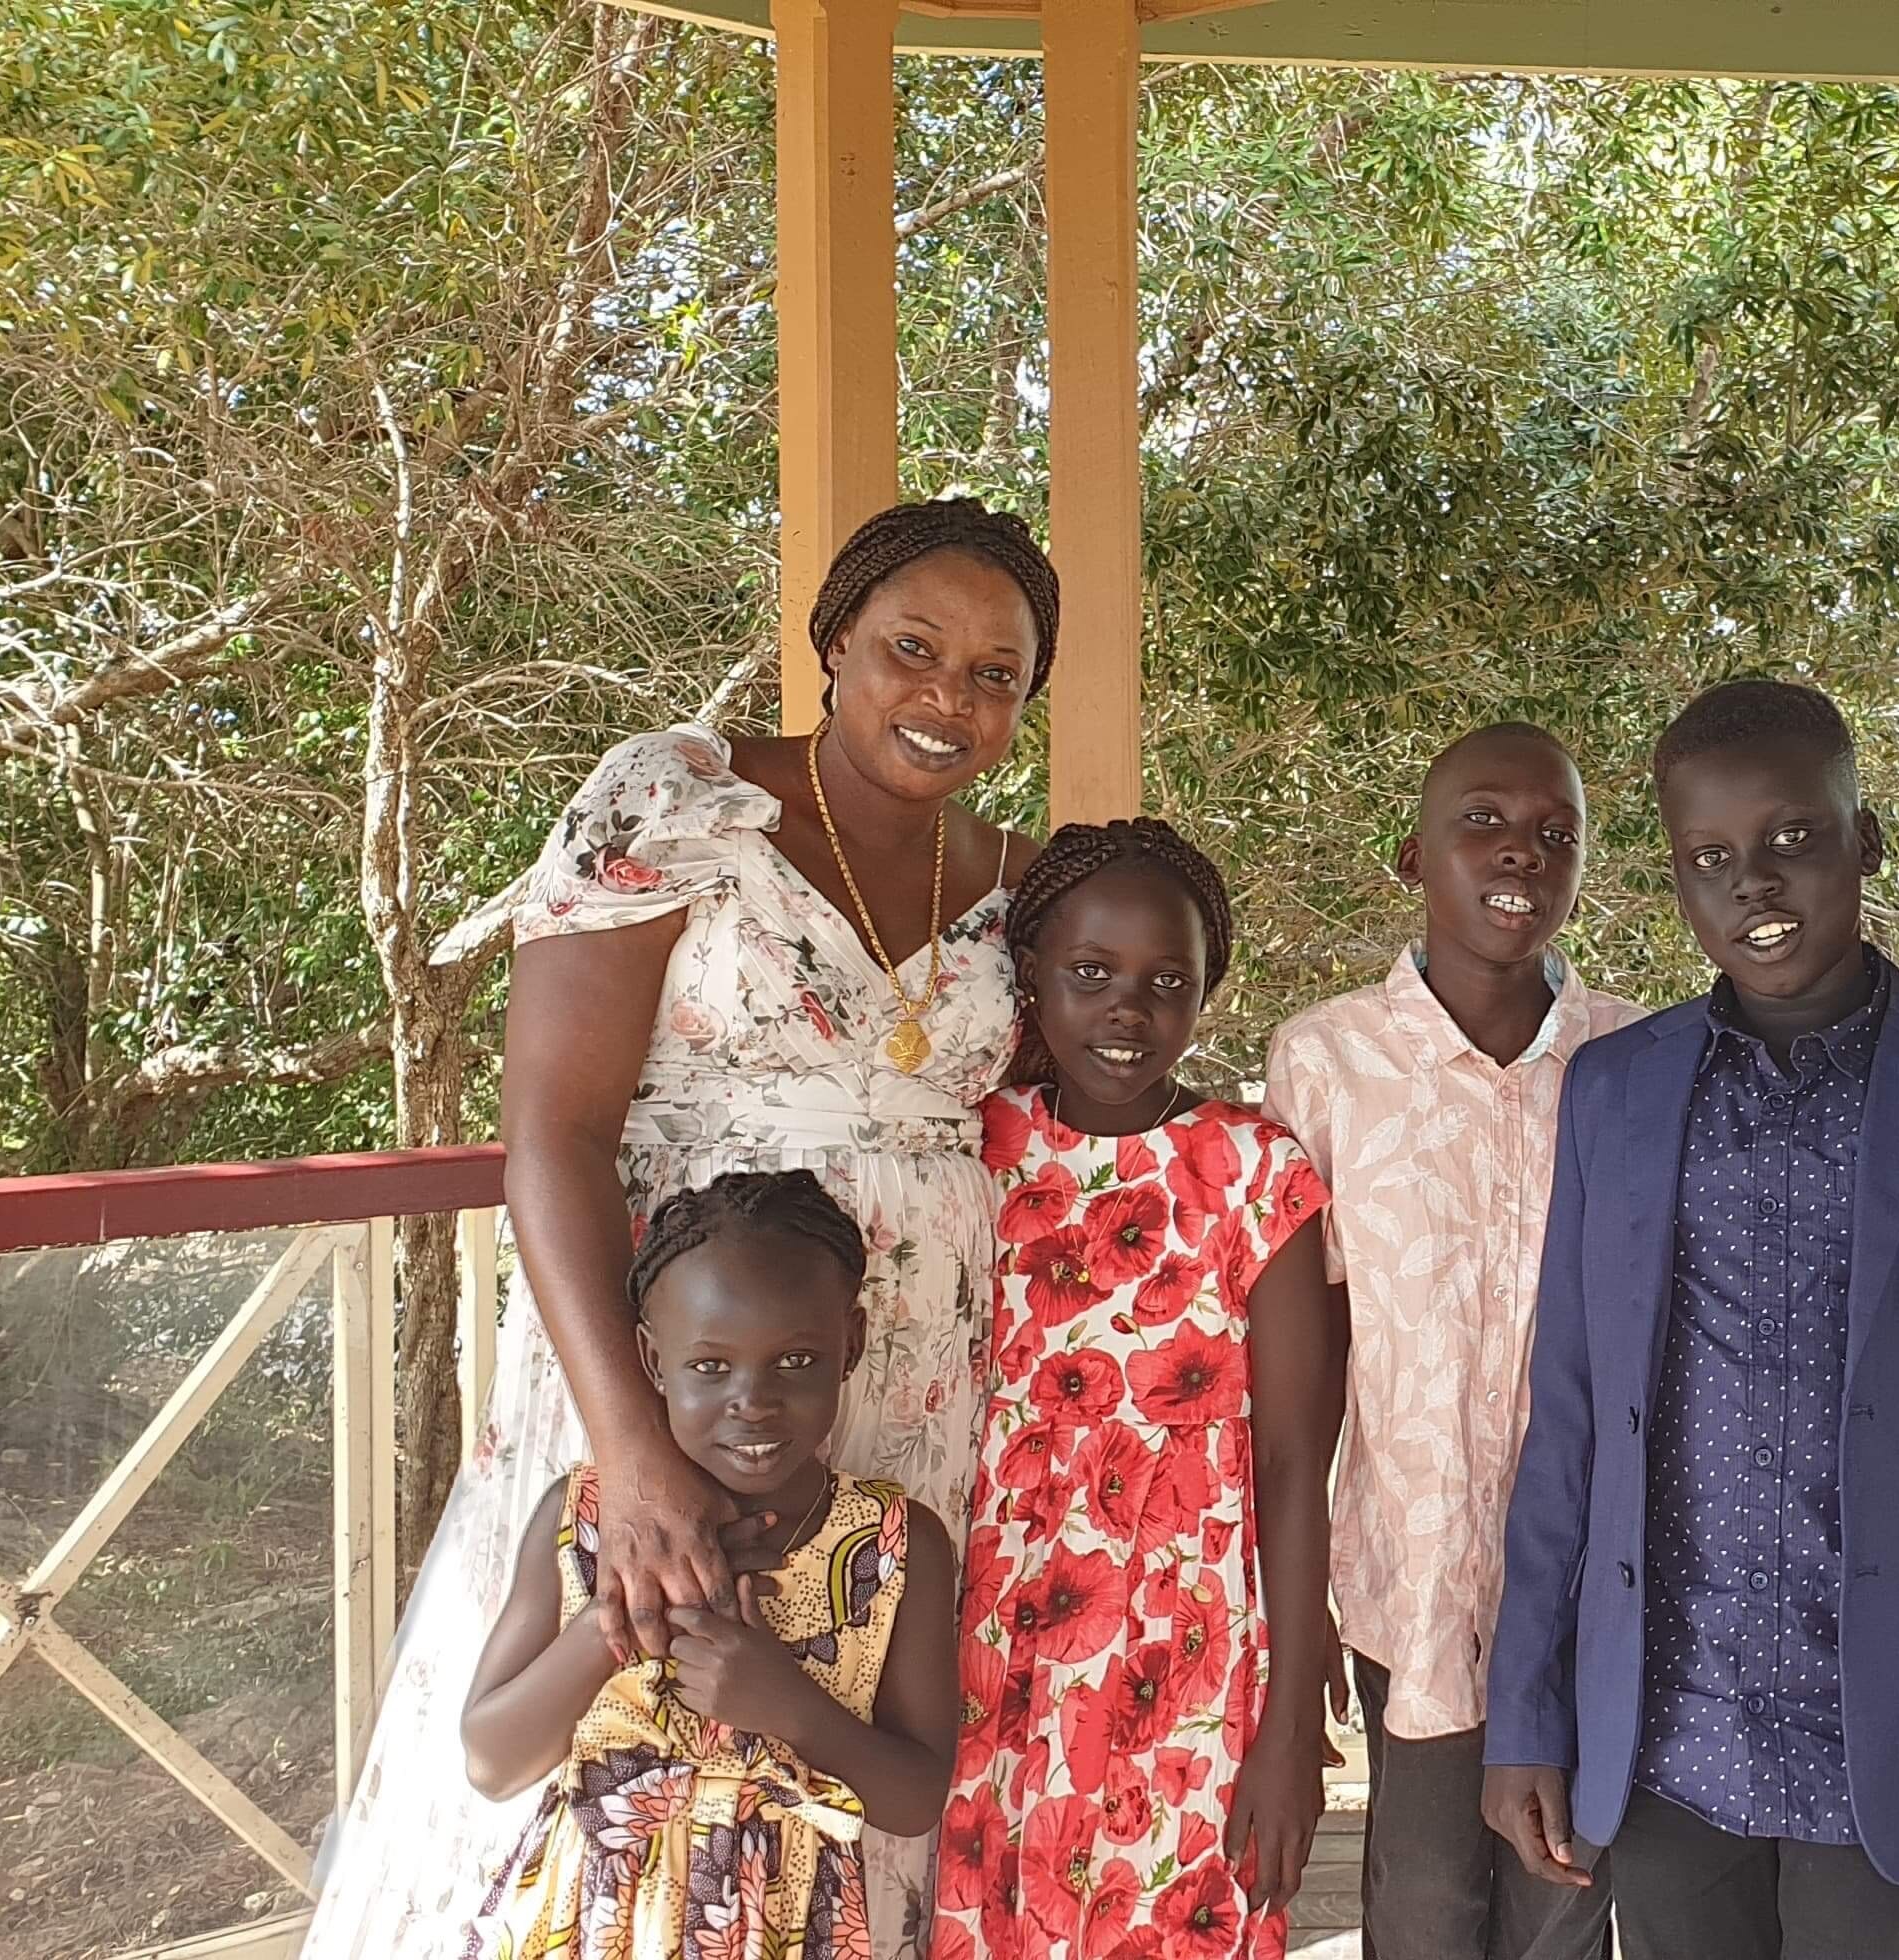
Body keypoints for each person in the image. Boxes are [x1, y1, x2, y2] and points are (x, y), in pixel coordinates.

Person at [315, 497, 1062, 1955]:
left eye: (995, 674)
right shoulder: (677, 803)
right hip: (667, 1366)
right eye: (912, 648)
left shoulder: (1019, 886)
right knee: (611, 1711)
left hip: (893, 1387)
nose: (948, 698)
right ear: (835, 641)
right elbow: (554, 1133)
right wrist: (632, 1448)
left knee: (836, 1735)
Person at [1484, 679, 1899, 1959]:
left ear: (1865, 839)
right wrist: (1528, 1714)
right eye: (1709, 858)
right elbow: (1566, 1425)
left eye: (1793, 839)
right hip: (1673, 1730)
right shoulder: (1615, 1093)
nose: (1755, 885)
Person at [930, 819, 1345, 1960]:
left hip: (1191, 1650)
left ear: (1207, 995)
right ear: (1032, 979)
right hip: (1000, 1630)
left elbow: (1298, 1461)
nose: (1128, 1009)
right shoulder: (975, 1150)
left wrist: (1290, 1724)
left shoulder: (1257, 1172)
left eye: (1169, 982)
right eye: (1091, 974)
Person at [1265, 723, 1638, 1960]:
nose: (1520, 851)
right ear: (1411, 853)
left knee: (1562, 1901)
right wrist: (1295, 1594)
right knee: (1422, 1905)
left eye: (1555, 832)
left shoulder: (1634, 1061)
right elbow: (1306, 1353)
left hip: (1590, 1583)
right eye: (1483, 820)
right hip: (1406, 1576)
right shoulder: (1326, 1063)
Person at [457, 1171, 960, 1960]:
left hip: (788, 1933)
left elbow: (914, 1799)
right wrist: (613, 1619)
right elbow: (490, 1761)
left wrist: (786, 1703)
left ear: (851, 1345)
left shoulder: (896, 1544)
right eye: (710, 1367)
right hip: (585, 1926)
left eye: (796, 1359)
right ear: (653, 1361)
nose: (753, 1401)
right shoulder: (583, 1520)